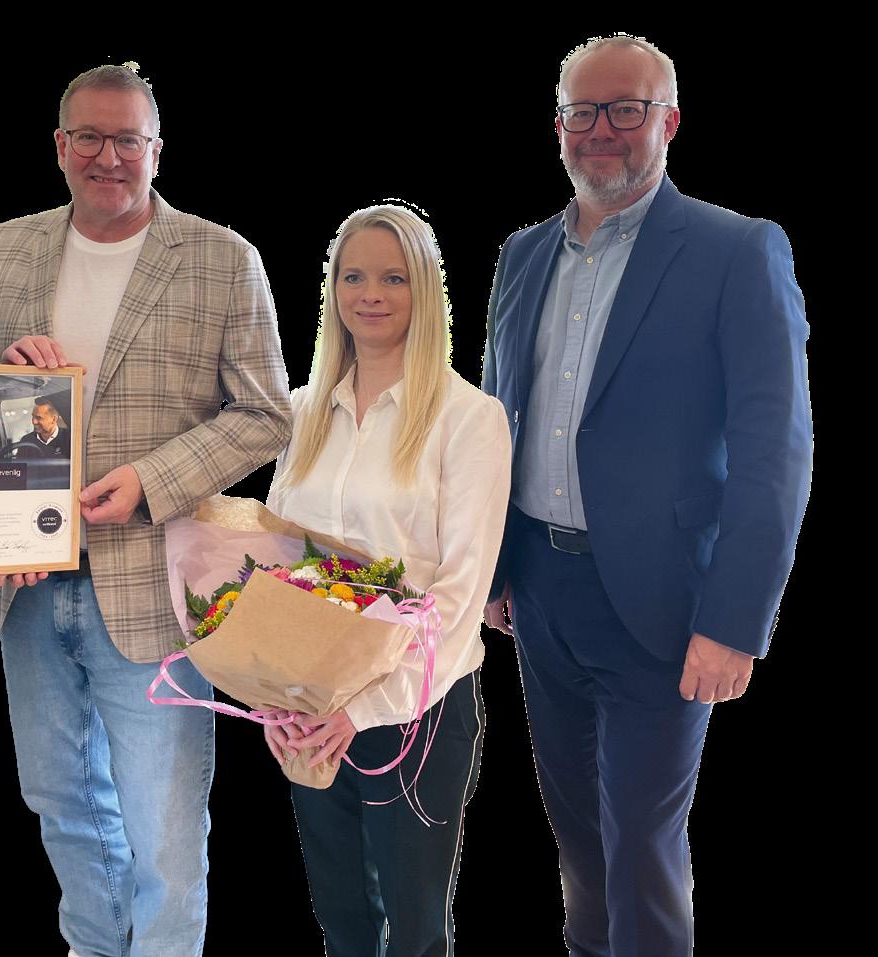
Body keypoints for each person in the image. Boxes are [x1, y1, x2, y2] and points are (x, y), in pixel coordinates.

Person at [480, 35, 812, 956]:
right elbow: (495, 419)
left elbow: (776, 451)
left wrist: (735, 622)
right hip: (539, 593)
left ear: (668, 121)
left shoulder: (736, 250)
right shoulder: (522, 254)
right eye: (581, 112)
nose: (601, 130)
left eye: (626, 109)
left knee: (640, 845)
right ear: (558, 126)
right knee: (577, 835)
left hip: (662, 603)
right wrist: (494, 567)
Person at [0, 63, 291, 956]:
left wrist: (151, 479)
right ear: (60, 146)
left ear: (156, 150)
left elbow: (265, 414)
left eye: (127, 140)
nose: (109, 157)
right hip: (25, 581)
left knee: (164, 831)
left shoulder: (223, 258)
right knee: (61, 804)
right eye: (90, 138)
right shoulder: (5, 246)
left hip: (154, 584)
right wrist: (1, 371)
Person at [263, 204, 512, 957]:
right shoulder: (302, 412)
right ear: (333, 288)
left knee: (413, 931)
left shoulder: (469, 418)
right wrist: (274, 695)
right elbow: (276, 562)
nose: (370, 294)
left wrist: (364, 705)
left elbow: (460, 594)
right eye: (354, 276)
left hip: (416, 709)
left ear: (425, 290)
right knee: (340, 918)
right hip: (312, 705)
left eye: (394, 278)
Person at [1, 395, 71, 459]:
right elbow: (21, 467)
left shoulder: (69, 439)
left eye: (38, 418)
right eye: (33, 416)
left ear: (54, 419)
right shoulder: (26, 440)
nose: (34, 422)